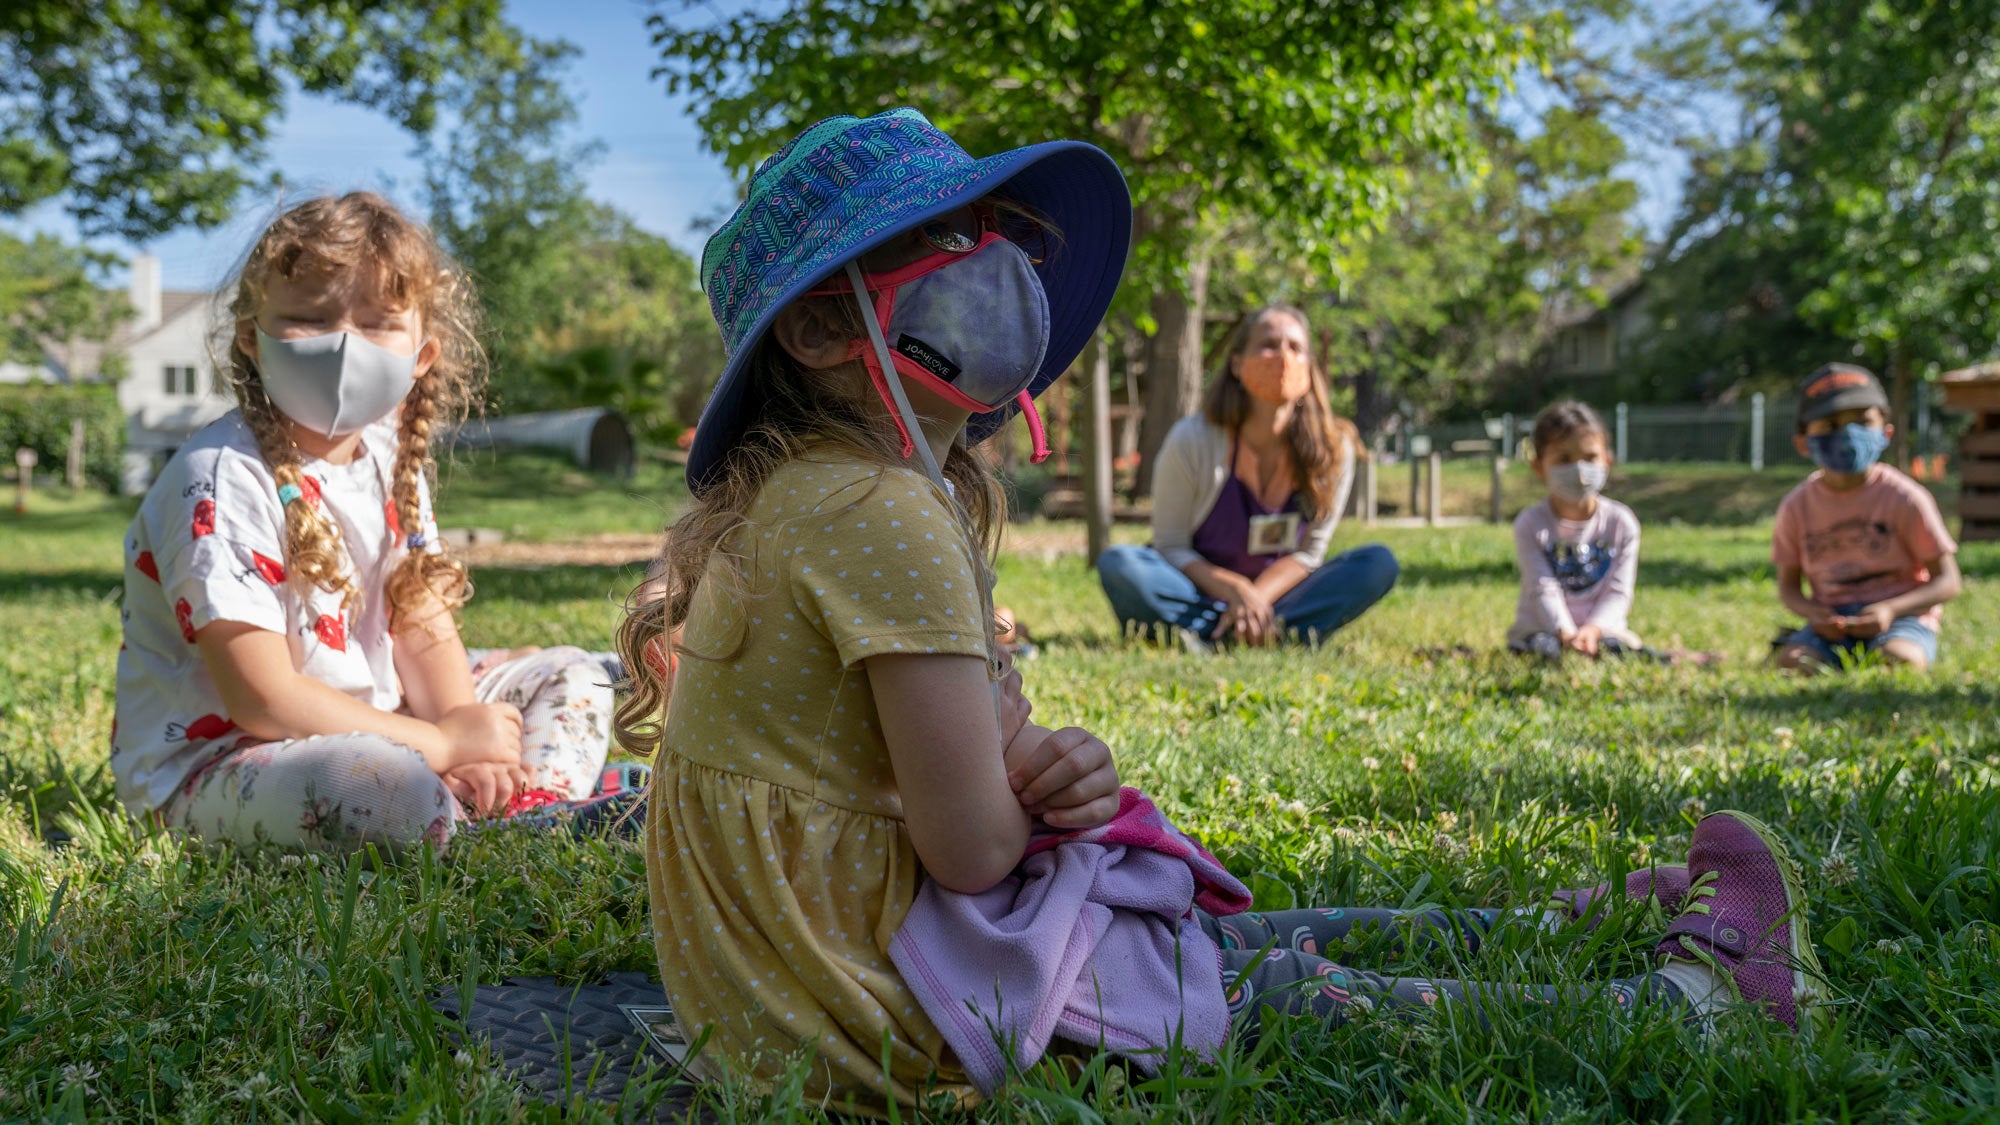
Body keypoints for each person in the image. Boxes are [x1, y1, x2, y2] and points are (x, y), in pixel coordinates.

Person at [614, 110, 1823, 1113]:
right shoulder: (878, 513)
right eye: (946, 242)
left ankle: (1555, 919)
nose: (998, 265)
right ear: (827, 326)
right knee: (1246, 989)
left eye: (999, 236)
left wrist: (1026, 754)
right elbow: (973, 850)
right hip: (869, 1004)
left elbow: (876, 754)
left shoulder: (818, 498)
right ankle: (1676, 1008)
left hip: (782, 981)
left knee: (1207, 931)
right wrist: (1016, 779)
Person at [113, 192, 613, 852]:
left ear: (422, 354)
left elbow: (422, 622)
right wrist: (439, 742)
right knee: (378, 784)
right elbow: (261, 700)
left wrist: (464, 731)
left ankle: (524, 812)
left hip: (388, 721)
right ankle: (488, 820)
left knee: (577, 674)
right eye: (308, 319)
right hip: (226, 762)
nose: (344, 345)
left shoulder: (387, 454)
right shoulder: (218, 476)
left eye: (377, 323)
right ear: (251, 339)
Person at [1095, 306, 1398, 649]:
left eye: (1296, 348)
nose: (1283, 357)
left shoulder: (1334, 448)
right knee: (1121, 564)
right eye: (1268, 344)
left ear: (1310, 367)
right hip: (1199, 592)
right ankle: (1271, 635)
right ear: (1237, 364)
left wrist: (1256, 599)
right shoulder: (1191, 440)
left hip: (1282, 598)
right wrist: (1236, 592)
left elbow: (1310, 554)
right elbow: (1172, 546)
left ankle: (1211, 635)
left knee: (1376, 563)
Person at [1772, 363, 1961, 673]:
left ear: (1886, 432)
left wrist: (1890, 609)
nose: (1847, 434)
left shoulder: (1905, 497)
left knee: (1900, 659)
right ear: (1803, 442)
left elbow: (1948, 581)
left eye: (1861, 421)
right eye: (1830, 424)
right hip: (1831, 626)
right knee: (1793, 665)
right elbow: (1789, 587)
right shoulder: (1796, 506)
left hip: (1901, 619)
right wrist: (1814, 614)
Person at [1508, 401, 1649, 660]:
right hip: (1542, 630)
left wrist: (1593, 631)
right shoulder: (1529, 524)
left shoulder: (1622, 523)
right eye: (1564, 459)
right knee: (1542, 652)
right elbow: (1543, 587)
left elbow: (1618, 592)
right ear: (1538, 466)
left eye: (1590, 457)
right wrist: (1565, 633)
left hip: (1604, 632)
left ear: (1607, 459)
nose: (1580, 470)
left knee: (1620, 651)